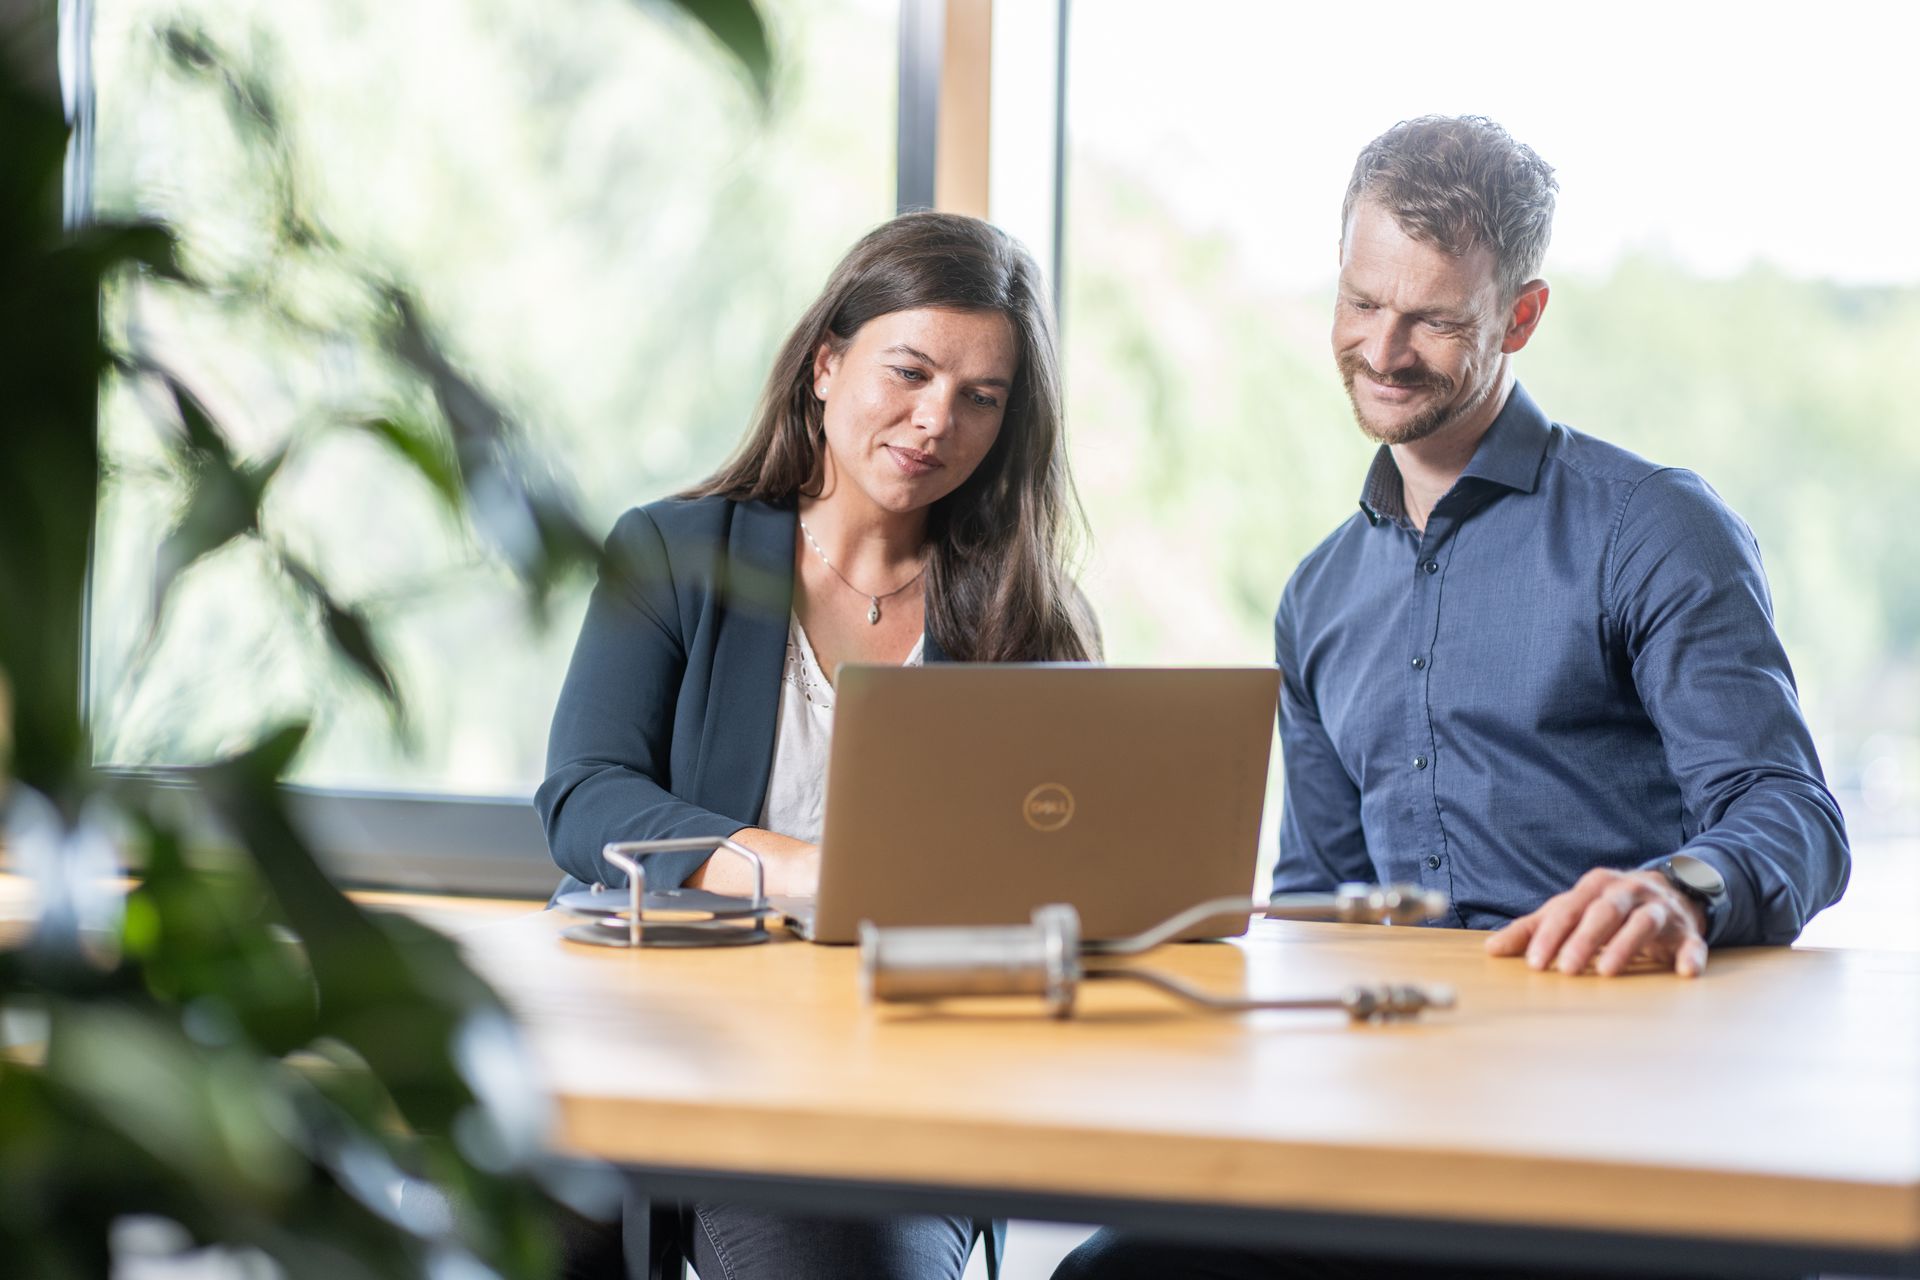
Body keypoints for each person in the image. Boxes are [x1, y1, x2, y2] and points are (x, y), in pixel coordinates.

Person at [1054, 115, 1849, 1280]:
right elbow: (1316, 896)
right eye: (1362, 301)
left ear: (1519, 318)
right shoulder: (1317, 593)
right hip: (1388, 1103)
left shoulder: (1651, 528)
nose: (1383, 348)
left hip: (1622, 1105)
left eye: (1433, 318)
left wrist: (1680, 887)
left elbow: (1793, 812)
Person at [537, 210, 1098, 1280]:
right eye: (912, 370)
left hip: (881, 1079)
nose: (938, 419)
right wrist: (787, 866)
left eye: (982, 397)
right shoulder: (671, 549)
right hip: (651, 1039)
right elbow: (584, 796)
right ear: (827, 364)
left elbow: (1057, 862)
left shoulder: (1022, 617)